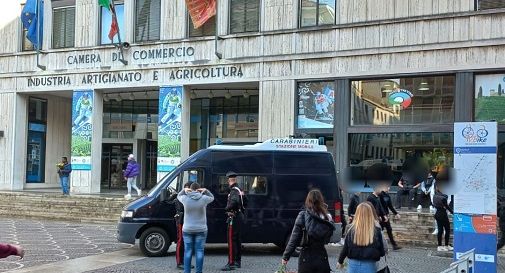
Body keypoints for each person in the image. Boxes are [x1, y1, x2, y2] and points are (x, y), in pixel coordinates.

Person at [282, 189, 335, 273]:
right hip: (322, 257)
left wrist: (285, 257)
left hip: (305, 258)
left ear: (308, 200)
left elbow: (293, 239)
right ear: (321, 200)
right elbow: (329, 238)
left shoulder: (302, 215)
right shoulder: (328, 217)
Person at [337, 203, 386, 273]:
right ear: (370, 214)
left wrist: (340, 261)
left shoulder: (350, 230)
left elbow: (345, 249)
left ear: (357, 214)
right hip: (370, 265)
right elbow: (382, 252)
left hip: (353, 265)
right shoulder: (376, 230)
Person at [177, 182, 214, 273]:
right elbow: (212, 197)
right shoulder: (204, 198)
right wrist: (205, 190)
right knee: (199, 251)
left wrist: (184, 190)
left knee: (188, 251)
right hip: (201, 229)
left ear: (190, 188)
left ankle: (187, 271)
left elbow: (178, 196)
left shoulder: (185, 198)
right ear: (199, 189)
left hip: (187, 229)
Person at [221, 171, 246, 271]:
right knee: (237, 240)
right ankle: (237, 262)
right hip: (239, 216)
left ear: (229, 180)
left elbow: (234, 202)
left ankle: (231, 263)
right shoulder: (240, 189)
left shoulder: (233, 191)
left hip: (234, 217)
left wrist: (226, 209)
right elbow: (246, 202)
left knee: (231, 240)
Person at [368, 186, 401, 251]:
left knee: (389, 229)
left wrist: (396, 213)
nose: (388, 188)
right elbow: (376, 207)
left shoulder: (387, 196)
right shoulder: (378, 196)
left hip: (384, 215)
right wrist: (380, 215)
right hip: (379, 216)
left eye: (389, 187)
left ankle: (394, 245)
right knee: (379, 231)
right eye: (387, 187)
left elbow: (390, 206)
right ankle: (377, 245)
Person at [175, 182, 192, 270]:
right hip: (181, 221)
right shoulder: (180, 197)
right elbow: (182, 209)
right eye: (188, 189)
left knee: (187, 243)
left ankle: (186, 262)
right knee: (180, 241)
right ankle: (179, 262)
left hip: (188, 222)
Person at [432, 184, 453, 252]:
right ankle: (446, 245)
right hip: (443, 214)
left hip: (437, 214)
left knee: (440, 230)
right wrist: (453, 213)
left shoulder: (434, 196)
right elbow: (447, 207)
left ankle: (439, 246)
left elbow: (434, 205)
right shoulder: (444, 198)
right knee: (447, 230)